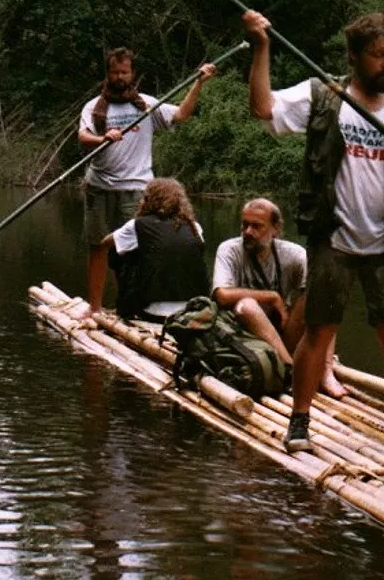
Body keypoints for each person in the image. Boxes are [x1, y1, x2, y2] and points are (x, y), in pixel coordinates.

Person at [243, 9, 384, 461]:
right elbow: (262, 109)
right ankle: (300, 420)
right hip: (333, 238)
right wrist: (262, 46)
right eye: (377, 55)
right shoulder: (323, 95)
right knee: (318, 331)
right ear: (353, 56)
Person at [78, 47, 216, 314]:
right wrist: (103, 138)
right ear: (108, 74)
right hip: (99, 187)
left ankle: (126, 307)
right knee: (97, 247)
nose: (119, 76)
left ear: (132, 74)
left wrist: (198, 83)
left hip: (136, 189)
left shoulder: (146, 104)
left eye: (124, 72)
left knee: (130, 252)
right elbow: (83, 137)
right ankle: (94, 308)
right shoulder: (94, 107)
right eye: (115, 72)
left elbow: (181, 115)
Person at [211, 198, 349, 397]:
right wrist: (273, 297)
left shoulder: (294, 255)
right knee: (247, 305)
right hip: (244, 338)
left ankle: (325, 373)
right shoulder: (230, 249)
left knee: (323, 295)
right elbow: (222, 295)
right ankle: (291, 370)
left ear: (276, 228)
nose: (248, 232)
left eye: (257, 226)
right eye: (245, 225)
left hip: (282, 335)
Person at [86, 177, 209, 321]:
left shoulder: (138, 225)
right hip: (193, 310)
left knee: (116, 250)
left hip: (154, 313)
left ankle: (125, 308)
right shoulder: (194, 226)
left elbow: (104, 243)